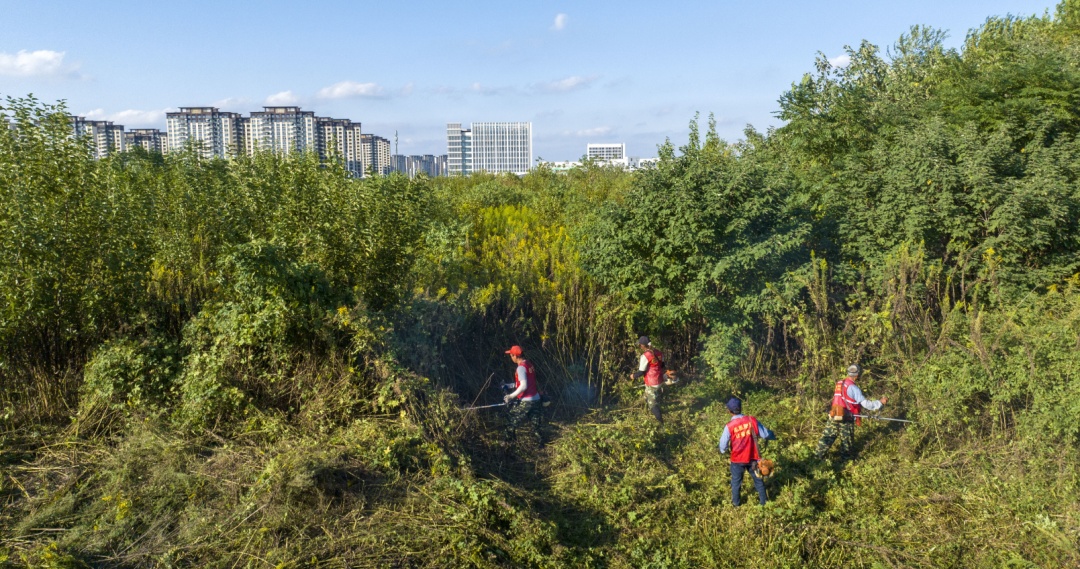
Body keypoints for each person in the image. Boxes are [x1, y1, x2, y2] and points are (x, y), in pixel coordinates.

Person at [814, 364, 888, 462]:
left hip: (834, 415)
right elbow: (866, 404)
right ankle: (845, 464)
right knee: (846, 444)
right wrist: (880, 403)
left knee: (826, 439)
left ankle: (815, 460)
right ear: (857, 375)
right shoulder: (853, 388)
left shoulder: (839, 383)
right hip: (846, 419)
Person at [717, 397, 770, 506]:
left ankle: (736, 504)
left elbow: (723, 444)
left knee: (736, 483)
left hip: (737, 459)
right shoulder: (752, 420)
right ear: (741, 408)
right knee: (759, 481)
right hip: (753, 458)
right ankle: (764, 504)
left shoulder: (729, 426)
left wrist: (723, 451)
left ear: (729, 411)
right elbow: (766, 434)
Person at [502, 345, 544, 446]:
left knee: (511, 420)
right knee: (536, 425)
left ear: (515, 356)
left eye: (511, 355)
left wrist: (511, 396)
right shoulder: (529, 364)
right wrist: (509, 385)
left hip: (526, 401)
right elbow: (526, 382)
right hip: (536, 399)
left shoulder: (520, 368)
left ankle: (508, 443)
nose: (511, 358)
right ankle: (540, 444)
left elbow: (524, 386)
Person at [631, 336, 665, 424]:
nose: (639, 347)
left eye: (639, 345)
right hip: (660, 379)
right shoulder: (658, 352)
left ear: (643, 345)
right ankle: (648, 409)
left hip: (652, 382)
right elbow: (662, 365)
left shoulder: (645, 356)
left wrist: (633, 376)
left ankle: (661, 423)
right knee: (646, 396)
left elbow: (641, 372)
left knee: (652, 405)